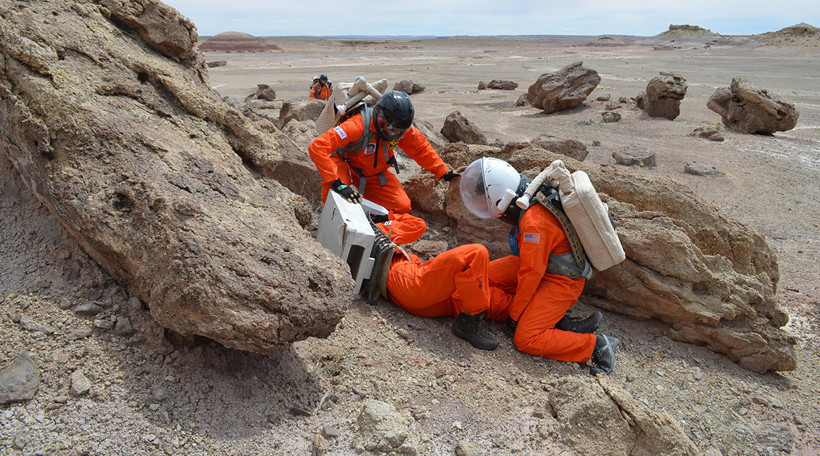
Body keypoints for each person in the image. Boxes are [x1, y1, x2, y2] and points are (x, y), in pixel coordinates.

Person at [458, 157, 620, 375]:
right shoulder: (533, 194)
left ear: (503, 200)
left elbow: (531, 275)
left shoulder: (533, 222)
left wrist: (515, 317)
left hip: (563, 281)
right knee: (479, 277)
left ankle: (596, 346)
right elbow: (532, 268)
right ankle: (556, 323)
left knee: (526, 338)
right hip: (544, 267)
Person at [308, 90, 458, 215]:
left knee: (402, 207)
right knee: (336, 197)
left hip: (373, 173)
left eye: (399, 131)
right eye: (391, 129)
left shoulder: (401, 128)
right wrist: (337, 183)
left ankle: (374, 223)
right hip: (346, 165)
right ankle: (331, 226)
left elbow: (421, 149)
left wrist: (443, 172)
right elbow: (318, 146)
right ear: (380, 117)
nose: (394, 134)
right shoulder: (357, 125)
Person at [368, 212, 499, 351]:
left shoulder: (372, 233)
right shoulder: (378, 229)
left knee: (486, 293)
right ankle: (469, 321)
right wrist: (386, 216)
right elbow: (418, 224)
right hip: (410, 283)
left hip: (412, 294)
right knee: (476, 253)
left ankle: (484, 318)